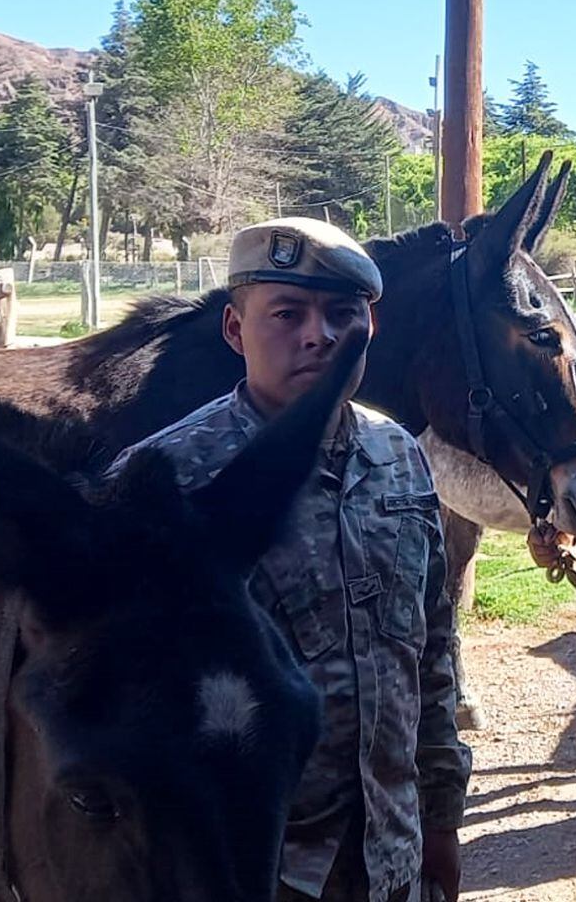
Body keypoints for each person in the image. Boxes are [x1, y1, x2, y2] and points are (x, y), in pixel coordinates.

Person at [108, 218, 470, 902]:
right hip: (247, 869)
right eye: (287, 314)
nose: (318, 336)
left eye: (342, 314)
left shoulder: (399, 458)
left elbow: (431, 654)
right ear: (234, 331)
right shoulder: (163, 481)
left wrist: (443, 820)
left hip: (392, 853)